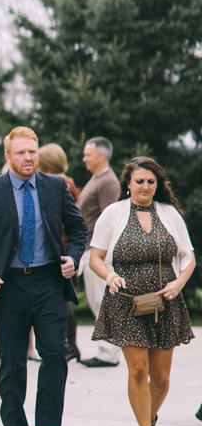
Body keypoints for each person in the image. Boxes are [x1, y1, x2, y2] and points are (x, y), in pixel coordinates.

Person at [0, 126, 87, 426]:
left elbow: (77, 229)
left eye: (32, 151)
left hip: (48, 282)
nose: (28, 158)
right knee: (13, 362)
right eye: (21, 152)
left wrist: (73, 257)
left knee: (56, 354)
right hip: (9, 286)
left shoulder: (56, 186)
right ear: (7, 156)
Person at [87, 156, 195, 426]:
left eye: (150, 181)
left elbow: (189, 258)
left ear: (157, 184)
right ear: (128, 184)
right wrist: (109, 275)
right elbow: (96, 257)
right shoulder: (114, 213)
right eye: (139, 181)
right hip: (125, 301)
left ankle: (149, 416)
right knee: (138, 370)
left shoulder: (170, 213)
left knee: (160, 378)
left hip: (165, 301)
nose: (145, 186)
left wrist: (178, 284)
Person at [77, 137, 122, 368]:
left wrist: (104, 257)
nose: (84, 158)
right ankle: (106, 349)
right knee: (97, 302)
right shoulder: (97, 180)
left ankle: (108, 353)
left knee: (103, 301)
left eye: (88, 154)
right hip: (89, 249)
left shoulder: (108, 183)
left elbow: (111, 221)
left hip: (99, 253)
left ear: (101, 155)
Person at [37, 143, 81, 363]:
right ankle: (70, 345)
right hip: (63, 247)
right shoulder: (69, 181)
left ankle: (70, 346)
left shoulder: (61, 183)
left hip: (62, 249)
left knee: (63, 299)